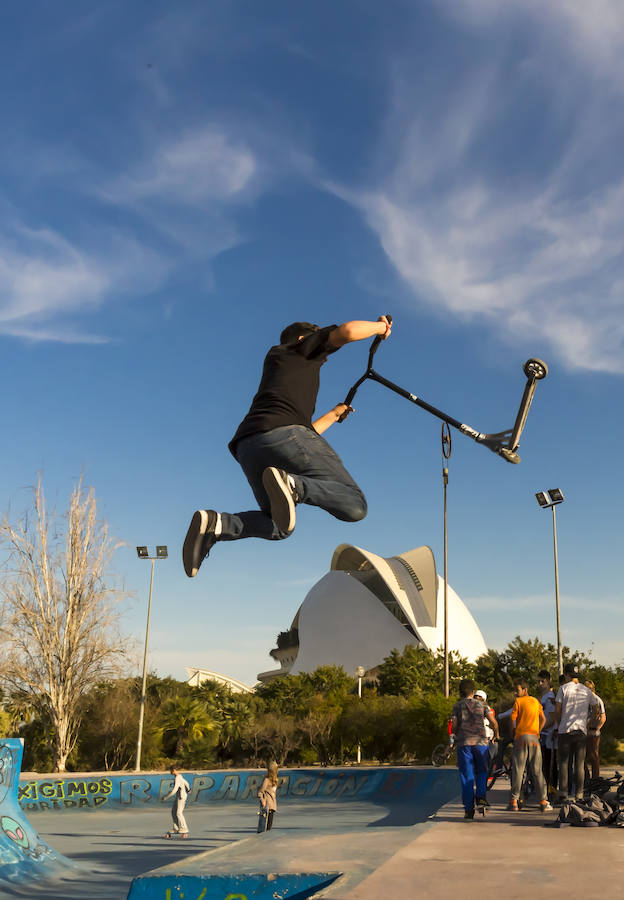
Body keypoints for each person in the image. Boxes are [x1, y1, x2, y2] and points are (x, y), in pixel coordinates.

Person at [183, 317, 392, 577]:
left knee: (279, 525)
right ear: (304, 339)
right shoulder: (300, 349)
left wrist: (333, 415)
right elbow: (347, 332)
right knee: (354, 504)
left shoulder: (279, 367)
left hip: (250, 447)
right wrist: (380, 328)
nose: (325, 359)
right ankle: (295, 486)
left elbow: (302, 438)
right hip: (282, 436)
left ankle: (217, 525)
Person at [451, 679, 499, 820]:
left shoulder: (458, 706)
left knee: (467, 776)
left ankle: (468, 809)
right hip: (481, 744)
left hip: (464, 744)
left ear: (461, 692)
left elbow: (454, 725)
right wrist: (496, 734)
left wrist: (456, 732)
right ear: (473, 691)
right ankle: (481, 797)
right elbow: (493, 722)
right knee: (482, 771)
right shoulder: (482, 705)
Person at [554, 662, 597, 802]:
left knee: (565, 763)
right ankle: (579, 794)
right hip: (581, 731)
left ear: (567, 675)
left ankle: (563, 793)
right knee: (579, 764)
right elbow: (596, 709)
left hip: (565, 731)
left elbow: (557, 710)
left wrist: (560, 723)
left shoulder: (563, 689)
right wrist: (588, 723)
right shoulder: (586, 690)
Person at [508, 680, 552, 812]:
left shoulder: (518, 702)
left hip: (521, 738)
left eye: (518, 690)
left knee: (518, 770)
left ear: (525, 690)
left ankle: (514, 801)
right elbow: (543, 719)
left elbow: (512, 719)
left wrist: (513, 734)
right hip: (534, 739)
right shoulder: (535, 701)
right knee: (537, 771)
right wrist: (537, 731)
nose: (516, 692)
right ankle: (543, 801)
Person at [537, 669, 558, 794]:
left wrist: (540, 728)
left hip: (548, 734)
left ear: (548, 681)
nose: (540, 684)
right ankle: (545, 788)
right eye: (538, 681)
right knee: (543, 763)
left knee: (549, 763)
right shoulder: (543, 697)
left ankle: (552, 788)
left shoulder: (550, 697)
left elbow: (552, 717)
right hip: (543, 733)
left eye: (542, 681)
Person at [584, 680, 607, 781]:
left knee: (593, 756)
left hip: (592, 732)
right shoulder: (584, 700)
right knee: (582, 757)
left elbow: (603, 718)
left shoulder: (597, 700)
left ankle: (595, 779)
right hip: (583, 731)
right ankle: (586, 778)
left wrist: (595, 729)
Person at [163, 765, 191, 838]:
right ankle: (176, 828)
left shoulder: (177, 779)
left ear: (174, 770)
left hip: (181, 797)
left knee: (179, 813)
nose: (170, 772)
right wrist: (188, 790)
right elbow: (186, 783)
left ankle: (184, 829)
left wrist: (166, 797)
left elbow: (174, 790)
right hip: (179, 796)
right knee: (173, 811)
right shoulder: (180, 777)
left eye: (171, 771)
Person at [474, 690, 498, 765]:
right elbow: (493, 723)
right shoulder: (486, 708)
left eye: (478, 697)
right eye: (476, 696)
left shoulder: (467, 706)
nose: (476, 698)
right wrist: (496, 734)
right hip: (483, 735)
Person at [257, 761, 279, 831]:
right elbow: (260, 792)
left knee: (269, 826)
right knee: (266, 827)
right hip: (267, 806)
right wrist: (263, 801)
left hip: (272, 806)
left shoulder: (275, 780)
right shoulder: (266, 780)